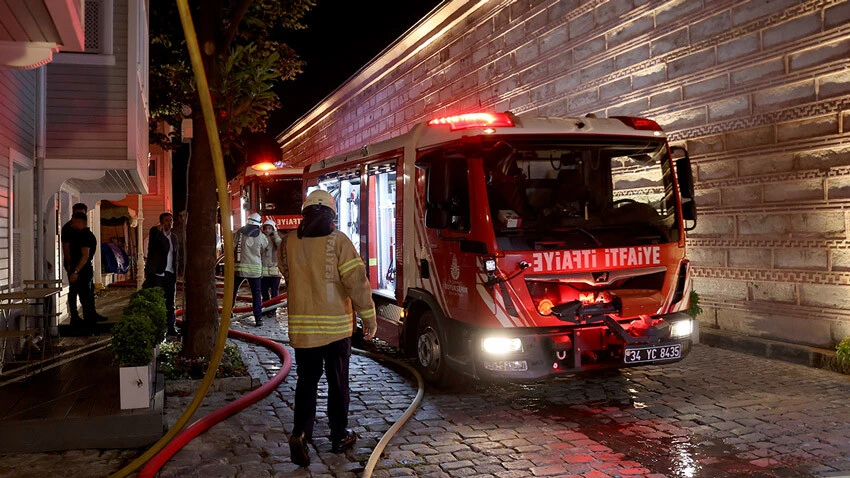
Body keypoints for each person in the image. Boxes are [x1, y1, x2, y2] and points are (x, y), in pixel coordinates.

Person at [278, 190, 377, 466]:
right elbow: (356, 282)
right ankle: (338, 435)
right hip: (336, 331)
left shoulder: (288, 243)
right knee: (338, 383)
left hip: (303, 332)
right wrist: (369, 318)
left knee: (306, 383)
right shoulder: (339, 241)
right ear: (332, 215)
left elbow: (286, 272)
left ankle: (301, 433)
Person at [67, 212, 108, 327]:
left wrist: (76, 271)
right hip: (81, 270)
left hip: (82, 271)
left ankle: (88, 323)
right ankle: (80, 320)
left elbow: (85, 256)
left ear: (80, 222)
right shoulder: (83, 235)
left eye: (74, 221)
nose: (72, 224)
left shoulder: (84, 236)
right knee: (80, 295)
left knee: (84, 298)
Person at [143, 212, 180, 336]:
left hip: (170, 273)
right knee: (157, 301)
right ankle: (157, 327)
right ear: (161, 222)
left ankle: (171, 327)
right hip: (158, 274)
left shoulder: (174, 237)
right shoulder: (155, 232)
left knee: (170, 302)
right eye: (166, 221)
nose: (169, 223)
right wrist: (160, 232)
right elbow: (156, 246)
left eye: (171, 220)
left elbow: (176, 255)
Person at [233, 212, 268, 326]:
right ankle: (258, 319)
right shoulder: (261, 236)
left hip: (239, 269)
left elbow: (232, 246)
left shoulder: (239, 233)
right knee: (256, 295)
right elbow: (264, 247)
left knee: (232, 292)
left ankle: (228, 313)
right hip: (255, 271)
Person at [61, 202, 88, 325]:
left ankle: (87, 314)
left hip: (82, 264)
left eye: (82, 213)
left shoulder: (83, 229)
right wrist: (70, 266)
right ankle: (74, 316)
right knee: (74, 290)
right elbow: (66, 248)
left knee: (85, 290)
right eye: (77, 213)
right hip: (73, 263)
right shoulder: (68, 228)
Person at [260, 219, 282, 319]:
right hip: (264, 272)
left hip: (275, 272)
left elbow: (280, 245)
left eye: (270, 228)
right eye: (266, 228)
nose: (268, 230)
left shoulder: (276, 239)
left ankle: (273, 310)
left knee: (274, 292)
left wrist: (275, 235)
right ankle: (266, 308)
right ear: (263, 229)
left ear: (273, 229)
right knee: (264, 291)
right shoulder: (261, 238)